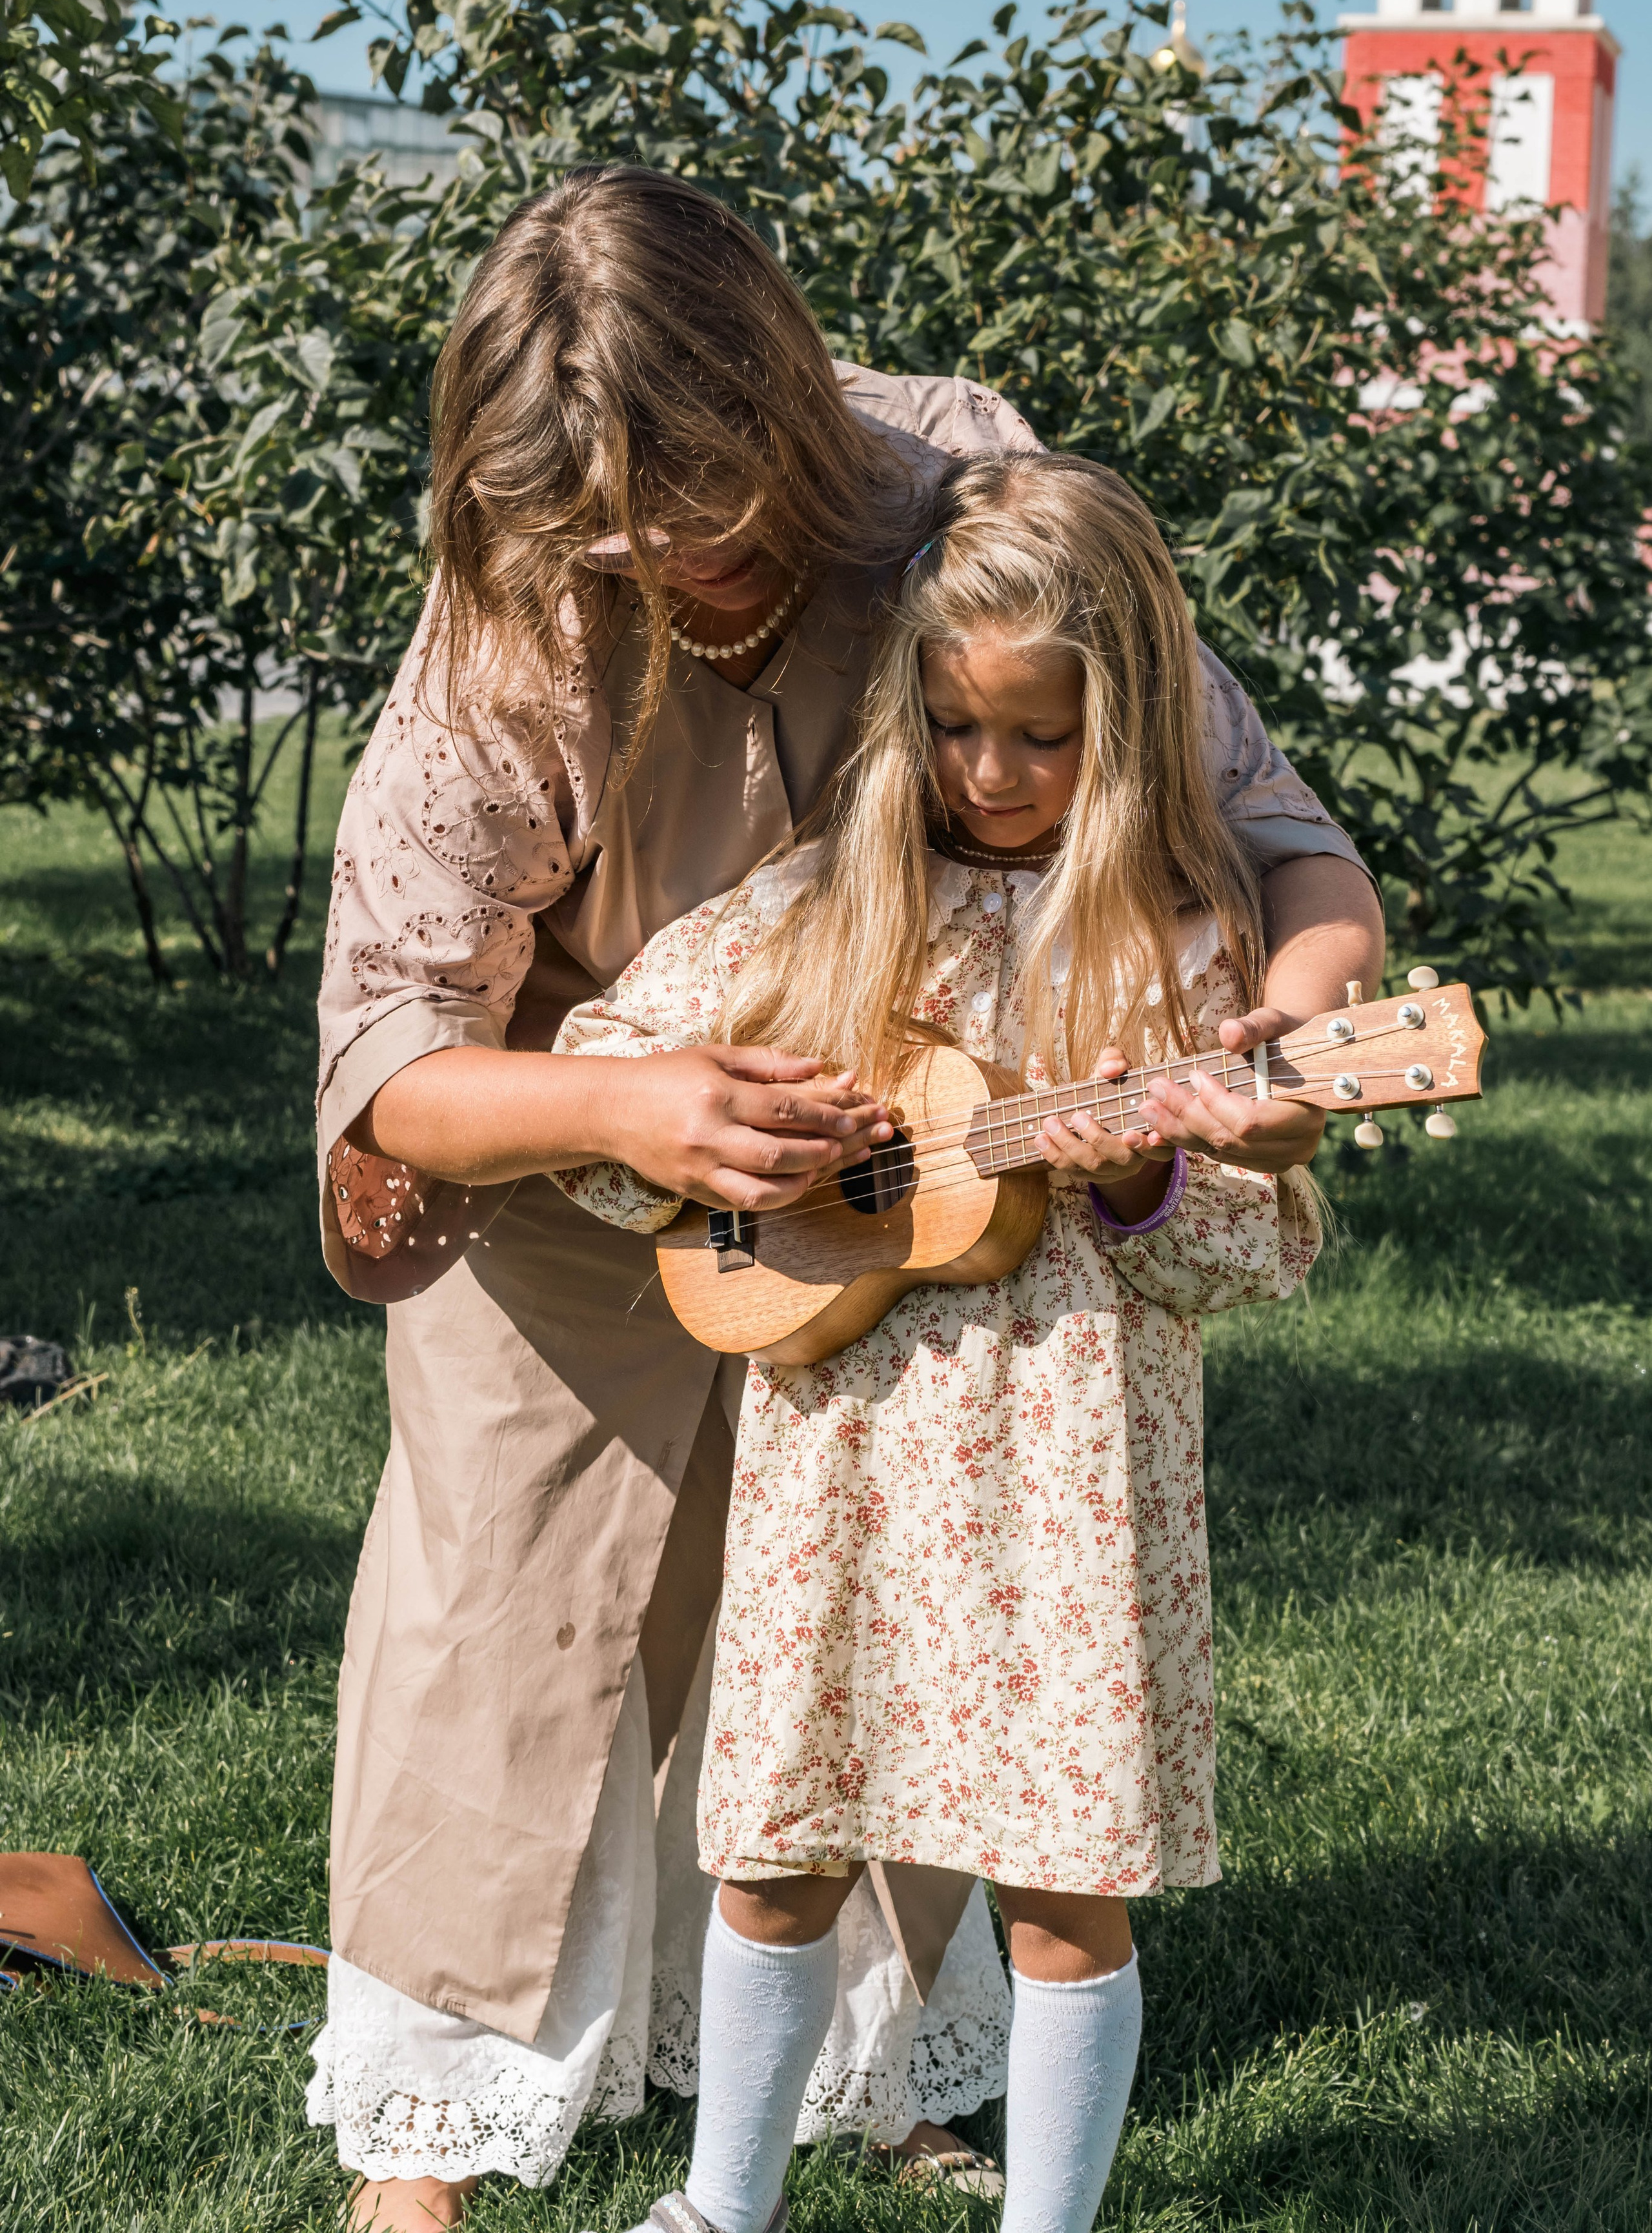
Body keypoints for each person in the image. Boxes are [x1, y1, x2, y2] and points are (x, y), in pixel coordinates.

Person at [308, 165, 1383, 2230]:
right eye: (590, 528)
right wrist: (626, 1114)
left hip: (959, 1163)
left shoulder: (964, 496)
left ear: (783, 408)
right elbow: (398, 1041)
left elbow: (1257, 823)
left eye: (684, 507)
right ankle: (425, 2133)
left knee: (893, 1619)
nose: (640, 559)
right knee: (509, 1593)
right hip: (581, 1103)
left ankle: (877, 2078)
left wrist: (1281, 1028)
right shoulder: (517, 590)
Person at [549, 452, 1325, 2233]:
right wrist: (715, 1138)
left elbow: (1247, 1259)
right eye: (960, 729)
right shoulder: (817, 912)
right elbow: (614, 1077)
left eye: (1042, 739)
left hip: (1065, 1494)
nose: (993, 776)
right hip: (846, 1472)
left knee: (1064, 1891)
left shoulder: (1175, 956)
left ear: (1124, 731)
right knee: (775, 1857)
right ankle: (717, 2208)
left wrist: (1141, 1183)